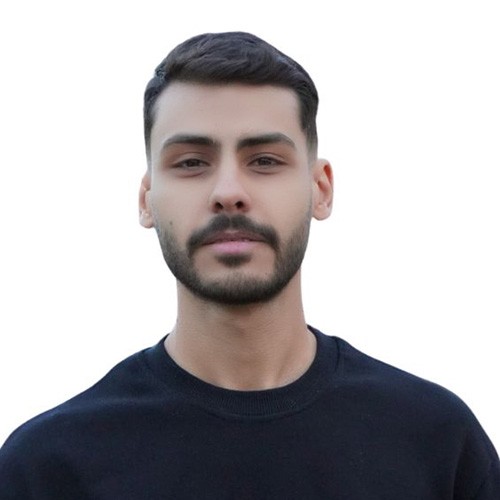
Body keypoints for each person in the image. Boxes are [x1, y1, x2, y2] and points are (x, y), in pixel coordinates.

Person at [0, 31, 498, 500]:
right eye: (191, 162)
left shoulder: (438, 443)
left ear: (320, 189)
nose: (229, 193)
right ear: (147, 199)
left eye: (264, 160)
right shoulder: (46, 469)